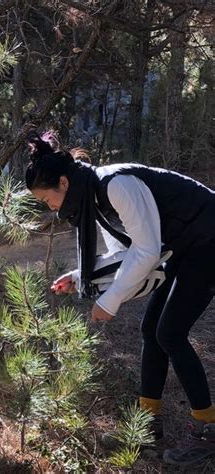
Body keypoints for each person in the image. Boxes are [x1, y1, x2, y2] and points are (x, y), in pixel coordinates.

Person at [24, 131, 215, 466]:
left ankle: (209, 429)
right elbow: (127, 253)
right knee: (151, 331)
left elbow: (146, 251)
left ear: (63, 183)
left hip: (209, 239)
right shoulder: (93, 195)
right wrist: (81, 276)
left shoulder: (115, 185)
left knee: (170, 333)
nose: (51, 208)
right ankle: (146, 423)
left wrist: (108, 301)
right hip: (185, 244)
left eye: (46, 200)